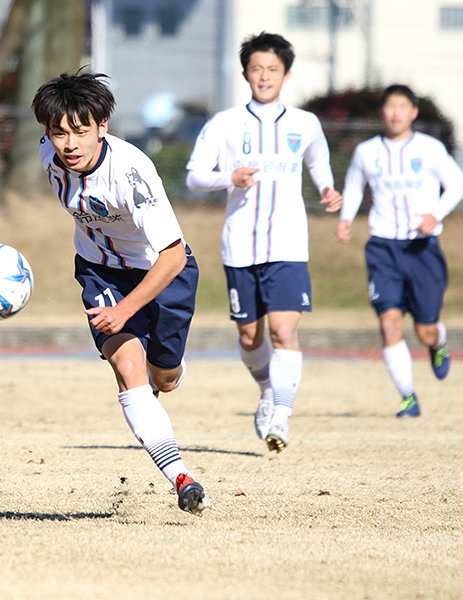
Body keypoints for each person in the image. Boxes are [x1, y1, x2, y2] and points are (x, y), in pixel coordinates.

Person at [31, 72, 210, 516]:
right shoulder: (48, 157)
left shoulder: (132, 174)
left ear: (103, 126)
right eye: (58, 133)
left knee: (163, 378)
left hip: (162, 272)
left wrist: (129, 307)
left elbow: (172, 256)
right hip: (100, 272)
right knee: (126, 366)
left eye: (80, 131)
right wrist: (119, 309)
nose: (69, 143)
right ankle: (181, 477)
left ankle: (167, 368)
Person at [185, 32, 342, 452]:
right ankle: (268, 390)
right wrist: (227, 178)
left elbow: (319, 163)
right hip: (240, 245)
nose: (265, 76)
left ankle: (283, 416)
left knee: (284, 330)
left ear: (286, 74)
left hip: (289, 245)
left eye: (273, 69)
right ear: (245, 74)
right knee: (251, 338)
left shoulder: (304, 124)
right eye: (257, 68)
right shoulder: (224, 123)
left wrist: (328, 190)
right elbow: (193, 175)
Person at [336, 84, 463, 417]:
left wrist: (435, 214)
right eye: (390, 106)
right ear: (383, 112)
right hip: (382, 247)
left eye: (402, 106)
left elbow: (457, 183)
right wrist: (346, 219)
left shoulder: (430, 148)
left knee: (425, 329)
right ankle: (408, 396)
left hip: (421, 248)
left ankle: (437, 342)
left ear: (413, 112)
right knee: (389, 322)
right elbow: (353, 186)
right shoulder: (367, 152)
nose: (396, 112)